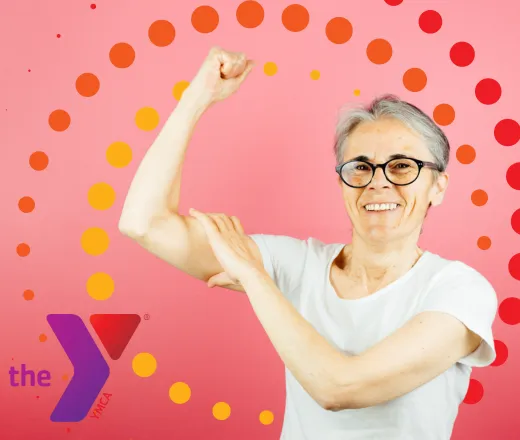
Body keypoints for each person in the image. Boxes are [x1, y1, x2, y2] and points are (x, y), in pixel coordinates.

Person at [118, 46, 498, 439]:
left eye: (402, 165)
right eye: (361, 167)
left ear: (438, 185)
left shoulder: (459, 291)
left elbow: (339, 387)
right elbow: (144, 222)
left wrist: (255, 278)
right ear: (342, 181)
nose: (378, 182)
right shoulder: (299, 265)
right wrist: (197, 98)